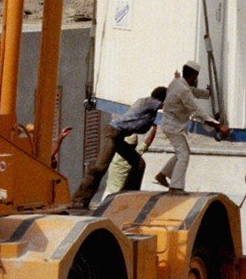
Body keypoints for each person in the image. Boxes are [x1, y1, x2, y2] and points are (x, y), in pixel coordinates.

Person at [70, 86, 166, 208]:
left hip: (118, 136)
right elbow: (167, 107)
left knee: (139, 163)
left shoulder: (149, 107)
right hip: (112, 133)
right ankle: (79, 200)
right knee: (100, 167)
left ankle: (129, 194)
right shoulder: (149, 102)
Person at [154, 61, 227, 193]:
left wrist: (206, 93)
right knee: (184, 155)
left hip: (170, 124)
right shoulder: (182, 88)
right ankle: (175, 187)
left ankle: (162, 175)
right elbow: (196, 110)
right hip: (173, 126)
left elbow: (191, 91)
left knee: (181, 152)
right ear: (194, 75)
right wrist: (218, 125)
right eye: (197, 76)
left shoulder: (176, 82)